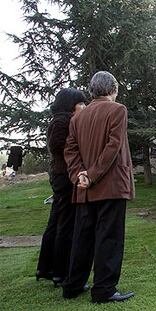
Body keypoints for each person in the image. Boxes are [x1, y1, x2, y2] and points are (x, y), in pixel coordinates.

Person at [63, 71, 135, 303]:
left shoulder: (77, 118)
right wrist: (91, 175)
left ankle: (73, 286)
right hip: (111, 186)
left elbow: (70, 151)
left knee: (83, 238)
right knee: (109, 238)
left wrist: (79, 176)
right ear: (113, 90)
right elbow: (113, 147)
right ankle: (104, 290)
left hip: (84, 188)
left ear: (93, 91)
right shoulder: (118, 110)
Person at [36, 88, 86, 287]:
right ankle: (61, 271)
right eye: (80, 104)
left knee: (56, 221)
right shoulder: (62, 121)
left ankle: (46, 268)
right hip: (64, 176)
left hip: (59, 175)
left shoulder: (60, 120)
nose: (84, 107)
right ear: (70, 104)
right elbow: (59, 146)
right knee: (66, 223)